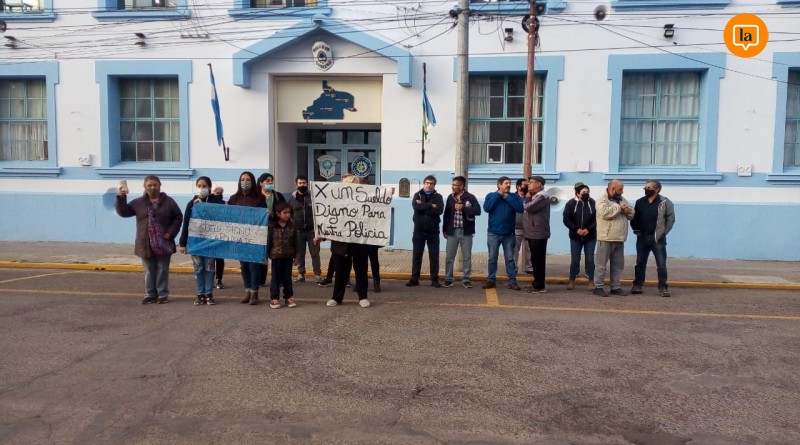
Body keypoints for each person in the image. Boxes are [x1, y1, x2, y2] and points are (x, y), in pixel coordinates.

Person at [115, 175, 182, 304]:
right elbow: (123, 212)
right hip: (145, 242)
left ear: (160, 186)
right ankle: (150, 294)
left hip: (163, 242)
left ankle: (162, 294)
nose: (152, 188)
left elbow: (178, 217)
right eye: (149, 185)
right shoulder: (138, 203)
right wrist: (121, 197)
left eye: (155, 185)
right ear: (144, 187)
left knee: (162, 269)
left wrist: (171, 232)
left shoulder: (169, 202)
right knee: (149, 269)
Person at [317, 174, 373, 308]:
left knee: (361, 272)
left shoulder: (364, 201)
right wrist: (321, 235)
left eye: (354, 184)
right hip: (340, 244)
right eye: (348, 185)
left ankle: (363, 297)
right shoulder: (336, 203)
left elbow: (376, 210)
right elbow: (328, 220)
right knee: (340, 272)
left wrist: (388, 194)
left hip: (359, 242)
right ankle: (337, 297)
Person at [178, 176, 224, 305]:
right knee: (198, 269)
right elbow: (186, 223)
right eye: (199, 186)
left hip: (211, 242)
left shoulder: (215, 201)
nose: (202, 188)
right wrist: (182, 243)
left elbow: (223, 212)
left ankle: (208, 294)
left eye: (204, 186)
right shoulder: (192, 203)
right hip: (196, 242)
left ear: (209, 187)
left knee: (210, 268)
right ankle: (200, 294)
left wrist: (218, 196)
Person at [630, 180, 676, 297]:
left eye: (649, 187)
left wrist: (663, 233)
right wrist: (636, 229)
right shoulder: (640, 202)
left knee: (661, 264)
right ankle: (637, 285)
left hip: (657, 239)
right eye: (645, 187)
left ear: (657, 189)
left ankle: (663, 287)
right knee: (640, 263)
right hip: (642, 237)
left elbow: (670, 219)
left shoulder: (665, 202)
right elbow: (634, 218)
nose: (646, 189)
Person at [228, 171, 267, 305]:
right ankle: (248, 291)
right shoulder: (233, 199)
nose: (245, 182)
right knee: (244, 266)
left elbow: (264, 218)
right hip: (240, 238)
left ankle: (255, 293)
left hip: (254, 238)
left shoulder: (259, 199)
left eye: (248, 179)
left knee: (254, 266)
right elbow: (227, 215)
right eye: (243, 179)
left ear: (253, 181)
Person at [593, 179, 635, 297]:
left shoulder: (622, 199)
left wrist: (627, 210)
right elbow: (605, 213)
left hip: (619, 238)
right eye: (620, 189)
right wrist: (619, 208)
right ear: (612, 189)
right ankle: (598, 286)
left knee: (618, 265)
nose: (622, 191)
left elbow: (631, 215)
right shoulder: (602, 199)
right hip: (605, 238)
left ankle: (615, 287)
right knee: (601, 265)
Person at [482, 176, 524, 290]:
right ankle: (491, 280)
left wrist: (506, 197)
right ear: (499, 185)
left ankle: (512, 281)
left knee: (510, 259)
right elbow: (487, 208)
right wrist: (498, 195)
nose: (509, 185)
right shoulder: (491, 195)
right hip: (493, 233)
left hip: (509, 234)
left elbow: (520, 209)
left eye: (510, 183)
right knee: (492, 258)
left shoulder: (514, 196)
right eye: (506, 183)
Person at [442, 175, 481, 288]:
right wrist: (444, 229)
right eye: (452, 184)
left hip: (466, 231)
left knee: (466, 257)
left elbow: (478, 211)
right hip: (452, 232)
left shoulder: (470, 197)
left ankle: (466, 279)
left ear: (462, 186)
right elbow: (446, 214)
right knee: (449, 257)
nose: (453, 187)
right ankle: (448, 279)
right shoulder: (450, 198)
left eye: (455, 185)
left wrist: (463, 208)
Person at [406, 175, 444, 288]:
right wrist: (431, 205)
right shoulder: (417, 195)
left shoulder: (438, 197)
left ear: (434, 185)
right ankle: (414, 278)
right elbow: (416, 208)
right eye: (427, 183)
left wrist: (423, 206)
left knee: (434, 256)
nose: (429, 185)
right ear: (424, 184)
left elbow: (439, 210)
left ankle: (434, 279)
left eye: (431, 183)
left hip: (433, 232)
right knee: (417, 255)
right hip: (419, 231)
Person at [562, 182, 597, 291]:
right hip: (575, 236)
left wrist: (588, 229)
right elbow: (566, 219)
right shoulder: (570, 204)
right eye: (583, 192)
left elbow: (598, 219)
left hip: (590, 236)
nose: (586, 194)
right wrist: (576, 229)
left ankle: (591, 280)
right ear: (577, 194)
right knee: (575, 259)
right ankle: (572, 280)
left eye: (587, 192)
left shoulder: (593, 203)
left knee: (590, 259)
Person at [287, 175, 322, 283]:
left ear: (307, 184)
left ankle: (317, 274)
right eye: (300, 183)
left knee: (315, 253)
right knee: (300, 254)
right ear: (296, 184)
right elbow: (288, 213)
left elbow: (320, 212)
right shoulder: (291, 198)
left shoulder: (313, 196)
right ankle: (301, 274)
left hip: (312, 231)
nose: (302, 185)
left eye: (304, 183)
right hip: (298, 231)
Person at [267, 202, 300, 309]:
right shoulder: (272, 226)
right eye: (285, 213)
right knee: (275, 278)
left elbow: (297, 242)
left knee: (287, 278)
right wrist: (265, 256)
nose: (287, 215)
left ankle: (288, 297)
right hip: (276, 256)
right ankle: (274, 298)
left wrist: (297, 256)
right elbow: (268, 241)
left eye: (289, 212)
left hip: (288, 256)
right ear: (278, 213)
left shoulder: (293, 225)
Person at [522, 175, 550, 293]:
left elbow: (528, 207)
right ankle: (536, 283)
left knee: (538, 260)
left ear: (539, 184)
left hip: (538, 232)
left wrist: (527, 197)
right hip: (532, 232)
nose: (529, 184)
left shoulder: (542, 196)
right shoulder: (536, 196)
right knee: (535, 259)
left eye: (531, 182)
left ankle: (539, 286)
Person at [257, 173, 286, 288]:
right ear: (261, 183)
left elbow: (284, 209)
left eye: (271, 181)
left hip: (275, 228)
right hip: (260, 229)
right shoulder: (256, 196)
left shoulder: (278, 196)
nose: (270, 183)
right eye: (267, 181)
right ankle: (261, 280)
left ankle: (279, 279)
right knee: (262, 255)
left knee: (277, 254)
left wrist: (275, 213)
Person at [513, 178, 533, 276]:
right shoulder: (513, 197)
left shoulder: (531, 197)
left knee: (529, 249)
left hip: (528, 227)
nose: (527, 186)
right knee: (514, 249)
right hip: (516, 227)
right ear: (518, 186)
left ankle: (529, 268)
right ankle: (513, 268)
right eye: (525, 185)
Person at [211, 186, 226, 290]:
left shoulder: (225, 204)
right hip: (210, 235)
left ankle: (219, 279)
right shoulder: (208, 203)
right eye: (216, 193)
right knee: (210, 259)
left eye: (220, 193)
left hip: (221, 235)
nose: (218, 194)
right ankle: (211, 279)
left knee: (220, 259)